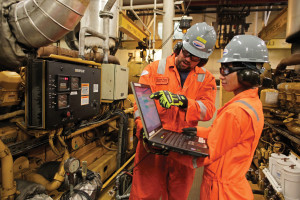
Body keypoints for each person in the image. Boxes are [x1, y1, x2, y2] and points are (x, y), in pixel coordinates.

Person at [169, 35, 269, 200]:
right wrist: (199, 131)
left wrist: (167, 150)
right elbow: (228, 137)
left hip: (221, 192)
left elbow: (204, 156)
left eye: (226, 70)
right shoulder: (252, 103)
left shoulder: (235, 112)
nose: (221, 76)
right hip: (234, 187)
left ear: (246, 74)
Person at [130, 22, 217, 200]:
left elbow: (207, 110)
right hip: (152, 149)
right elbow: (140, 107)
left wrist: (184, 102)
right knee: (144, 195)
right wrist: (143, 132)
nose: (188, 59)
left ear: (203, 60)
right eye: (186, 53)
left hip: (183, 150)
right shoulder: (154, 69)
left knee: (178, 196)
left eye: (195, 58)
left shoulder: (206, 79)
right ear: (180, 46)